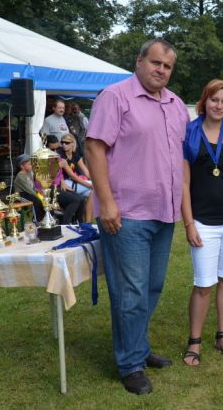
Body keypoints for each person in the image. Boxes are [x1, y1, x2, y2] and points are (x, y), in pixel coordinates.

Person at [85, 38, 189, 395]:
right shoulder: (115, 97)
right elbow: (94, 147)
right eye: (156, 63)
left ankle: (138, 348)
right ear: (139, 61)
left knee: (152, 286)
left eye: (167, 66)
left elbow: (178, 156)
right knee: (129, 291)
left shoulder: (176, 105)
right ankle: (129, 364)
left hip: (163, 213)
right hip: (125, 213)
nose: (161, 70)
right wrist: (107, 202)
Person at [181, 79, 223, 367]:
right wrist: (189, 224)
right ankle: (194, 341)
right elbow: (183, 183)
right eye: (214, 100)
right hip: (203, 221)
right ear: (204, 101)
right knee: (203, 284)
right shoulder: (189, 133)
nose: (219, 106)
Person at [58, 133, 93, 222]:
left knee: (93, 192)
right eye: (62, 142)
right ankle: (86, 222)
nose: (64, 145)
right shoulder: (60, 155)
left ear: (73, 143)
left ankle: (87, 221)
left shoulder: (75, 155)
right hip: (65, 183)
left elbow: (86, 171)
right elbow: (73, 176)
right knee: (93, 190)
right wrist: (91, 185)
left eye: (67, 143)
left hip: (73, 183)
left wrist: (94, 181)